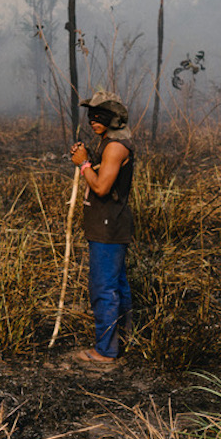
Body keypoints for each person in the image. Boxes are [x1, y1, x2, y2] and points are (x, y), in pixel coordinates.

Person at [69, 91, 135, 365]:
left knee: (104, 287)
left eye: (101, 116)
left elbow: (102, 187)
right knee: (117, 284)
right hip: (107, 225)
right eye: (91, 115)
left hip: (109, 229)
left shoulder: (116, 147)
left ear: (115, 118)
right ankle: (126, 341)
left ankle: (106, 351)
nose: (93, 120)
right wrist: (85, 158)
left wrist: (83, 164)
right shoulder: (109, 143)